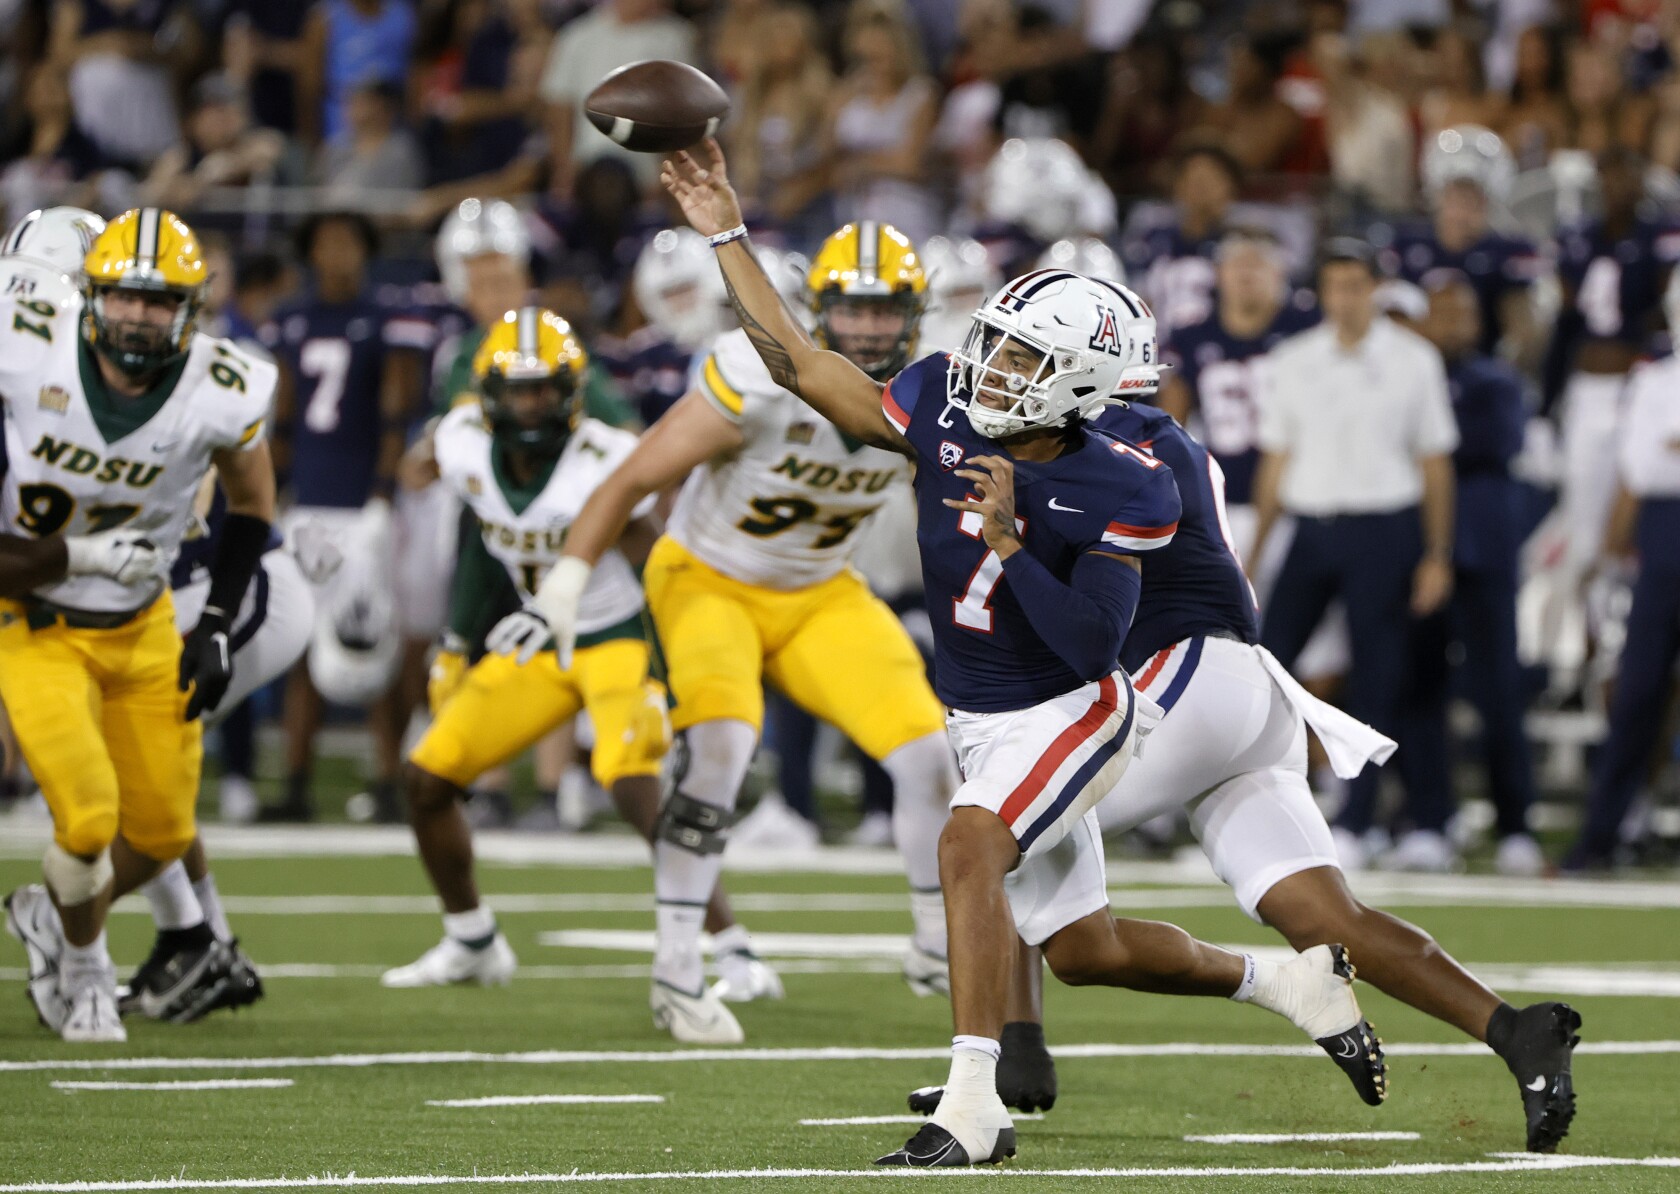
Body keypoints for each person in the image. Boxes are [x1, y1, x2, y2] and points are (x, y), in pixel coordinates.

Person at [630, 140, 1387, 1168]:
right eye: (994, 341)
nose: (991, 365)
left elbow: (1092, 643)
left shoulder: (1128, 481)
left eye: (1023, 358)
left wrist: (1011, 542)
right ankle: (1286, 982)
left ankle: (971, 1113)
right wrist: (726, 230)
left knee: (966, 844)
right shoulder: (942, 399)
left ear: (1075, 381)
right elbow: (803, 366)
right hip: (981, 713)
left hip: (1072, 703)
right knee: (1084, 951)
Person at [908, 386, 1582, 1158]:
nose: (1013, 381)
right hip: (1241, 689)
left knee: (1001, 820)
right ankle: (1512, 1030)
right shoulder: (1152, 438)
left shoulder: (1104, 448)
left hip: (1182, 674)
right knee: (1327, 918)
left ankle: (987, 1069)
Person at [494, 220, 960, 1044]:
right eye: (851, 307)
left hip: (820, 589)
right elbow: (633, 476)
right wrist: (565, 584)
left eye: (887, 308)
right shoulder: (759, 374)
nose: (869, 326)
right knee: (719, 757)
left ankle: (933, 941)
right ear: (817, 307)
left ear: (915, 312)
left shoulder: (933, 393)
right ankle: (677, 970)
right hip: (709, 579)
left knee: (928, 758)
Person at [382, 307, 772, 994]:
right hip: (538, 637)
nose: (532, 403)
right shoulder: (464, 443)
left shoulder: (605, 458)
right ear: (489, 392)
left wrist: (658, 677)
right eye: (519, 387)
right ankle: (471, 938)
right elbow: (481, 535)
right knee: (428, 778)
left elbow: (657, 565)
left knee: (634, 789)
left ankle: (734, 949)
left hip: (616, 635)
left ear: (573, 389)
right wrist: (455, 641)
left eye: (545, 387)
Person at [0, 207, 276, 1041]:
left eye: (160, 303)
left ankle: (56, 924)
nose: (138, 317)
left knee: (160, 833)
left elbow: (254, 504)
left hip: (145, 624)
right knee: (86, 821)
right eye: (123, 297)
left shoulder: (225, 386)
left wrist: (219, 621)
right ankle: (85, 968)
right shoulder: (23, 356)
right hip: (39, 624)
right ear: (89, 296)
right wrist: (80, 559)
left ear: (192, 309)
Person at [1251, 239, 1459, 869]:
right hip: (1312, 529)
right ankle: (1258, 818)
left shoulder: (1414, 359)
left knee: (1379, 679)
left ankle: (1358, 822)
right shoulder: (1292, 359)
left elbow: (1434, 463)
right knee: (1268, 669)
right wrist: (1256, 553)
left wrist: (1437, 553)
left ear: (1375, 288)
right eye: (1333, 284)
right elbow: (1276, 460)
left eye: (1354, 284)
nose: (1343, 297)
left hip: (1385, 531)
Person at [259, 211, 422, 823]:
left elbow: (395, 412)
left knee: (370, 637)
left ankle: (389, 780)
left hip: (363, 505)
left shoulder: (387, 319)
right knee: (301, 639)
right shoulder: (291, 319)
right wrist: (275, 490)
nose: (336, 252)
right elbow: (282, 412)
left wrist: (381, 495)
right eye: (325, 240)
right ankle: (296, 782)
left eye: (348, 241)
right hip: (310, 502)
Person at [1396, 273, 1541, 876]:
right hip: (1420, 554)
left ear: (1477, 323)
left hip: (1482, 552)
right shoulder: (1406, 379)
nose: (1450, 324)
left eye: (1460, 313)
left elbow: (1485, 444)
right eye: (1439, 313)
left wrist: (1423, 445)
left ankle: (1516, 826)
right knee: (1418, 688)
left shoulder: (1494, 381)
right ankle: (1432, 819)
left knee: (1498, 691)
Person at [1564, 270, 1680, 870]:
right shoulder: (1655, 379)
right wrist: (1610, 554)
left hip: (1662, 525)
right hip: (1662, 538)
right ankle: (1601, 837)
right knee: (1636, 693)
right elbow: (1640, 470)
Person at [1544, 148, 1680, 583]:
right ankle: (1586, 626)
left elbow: (1668, 311)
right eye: (1611, 175)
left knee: (1632, 503)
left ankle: (1622, 609)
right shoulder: (1577, 237)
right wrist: (1548, 402)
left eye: (1629, 175)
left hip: (1641, 389)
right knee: (1584, 512)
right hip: (1587, 389)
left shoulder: (1661, 237)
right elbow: (1564, 322)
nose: (1620, 186)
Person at [1373, 125, 1540, 361]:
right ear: (1438, 195)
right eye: (1455, 196)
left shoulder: (1508, 252)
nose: (1461, 210)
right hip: (1412, 363)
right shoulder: (1406, 243)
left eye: (1472, 198)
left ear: (1488, 202)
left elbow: (1525, 333)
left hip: (1481, 367)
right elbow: (1385, 318)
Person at [1122, 143, 1240, 340]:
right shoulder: (1150, 240)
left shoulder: (1241, 249)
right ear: (1177, 186)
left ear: (1230, 190)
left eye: (1211, 181)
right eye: (1195, 180)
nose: (1202, 191)